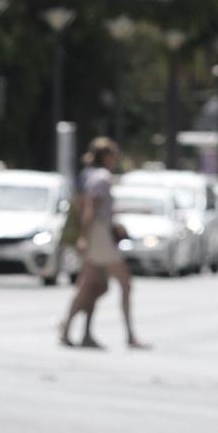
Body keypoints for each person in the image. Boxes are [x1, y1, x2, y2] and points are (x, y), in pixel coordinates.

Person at [59, 137, 145, 350]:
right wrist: (85, 237)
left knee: (94, 287)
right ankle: (130, 335)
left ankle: (75, 329)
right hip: (98, 235)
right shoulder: (102, 178)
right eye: (114, 154)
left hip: (97, 234)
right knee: (124, 283)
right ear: (106, 156)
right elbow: (89, 209)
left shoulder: (88, 175)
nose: (116, 159)